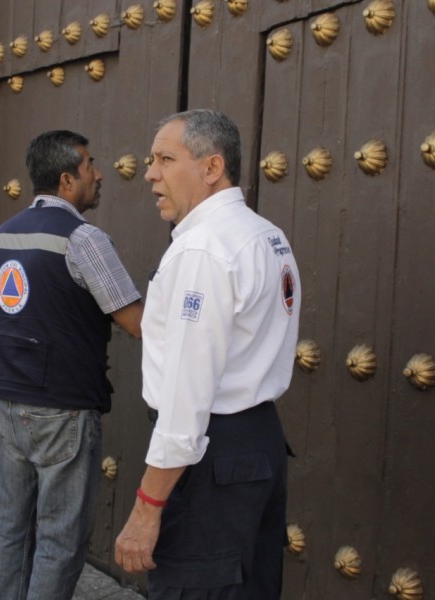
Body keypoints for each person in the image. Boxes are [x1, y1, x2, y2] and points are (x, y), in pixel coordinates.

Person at [114, 109, 301, 599]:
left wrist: (146, 507)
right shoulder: (266, 235)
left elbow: (185, 396)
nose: (151, 173)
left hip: (210, 455)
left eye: (165, 159)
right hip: (257, 442)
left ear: (211, 167)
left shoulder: (203, 249)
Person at [0, 129, 143, 600]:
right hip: (64, 410)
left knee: (11, 529)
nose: (100, 174)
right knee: (59, 540)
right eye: (91, 166)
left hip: (7, 406)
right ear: (67, 180)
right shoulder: (84, 239)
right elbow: (136, 323)